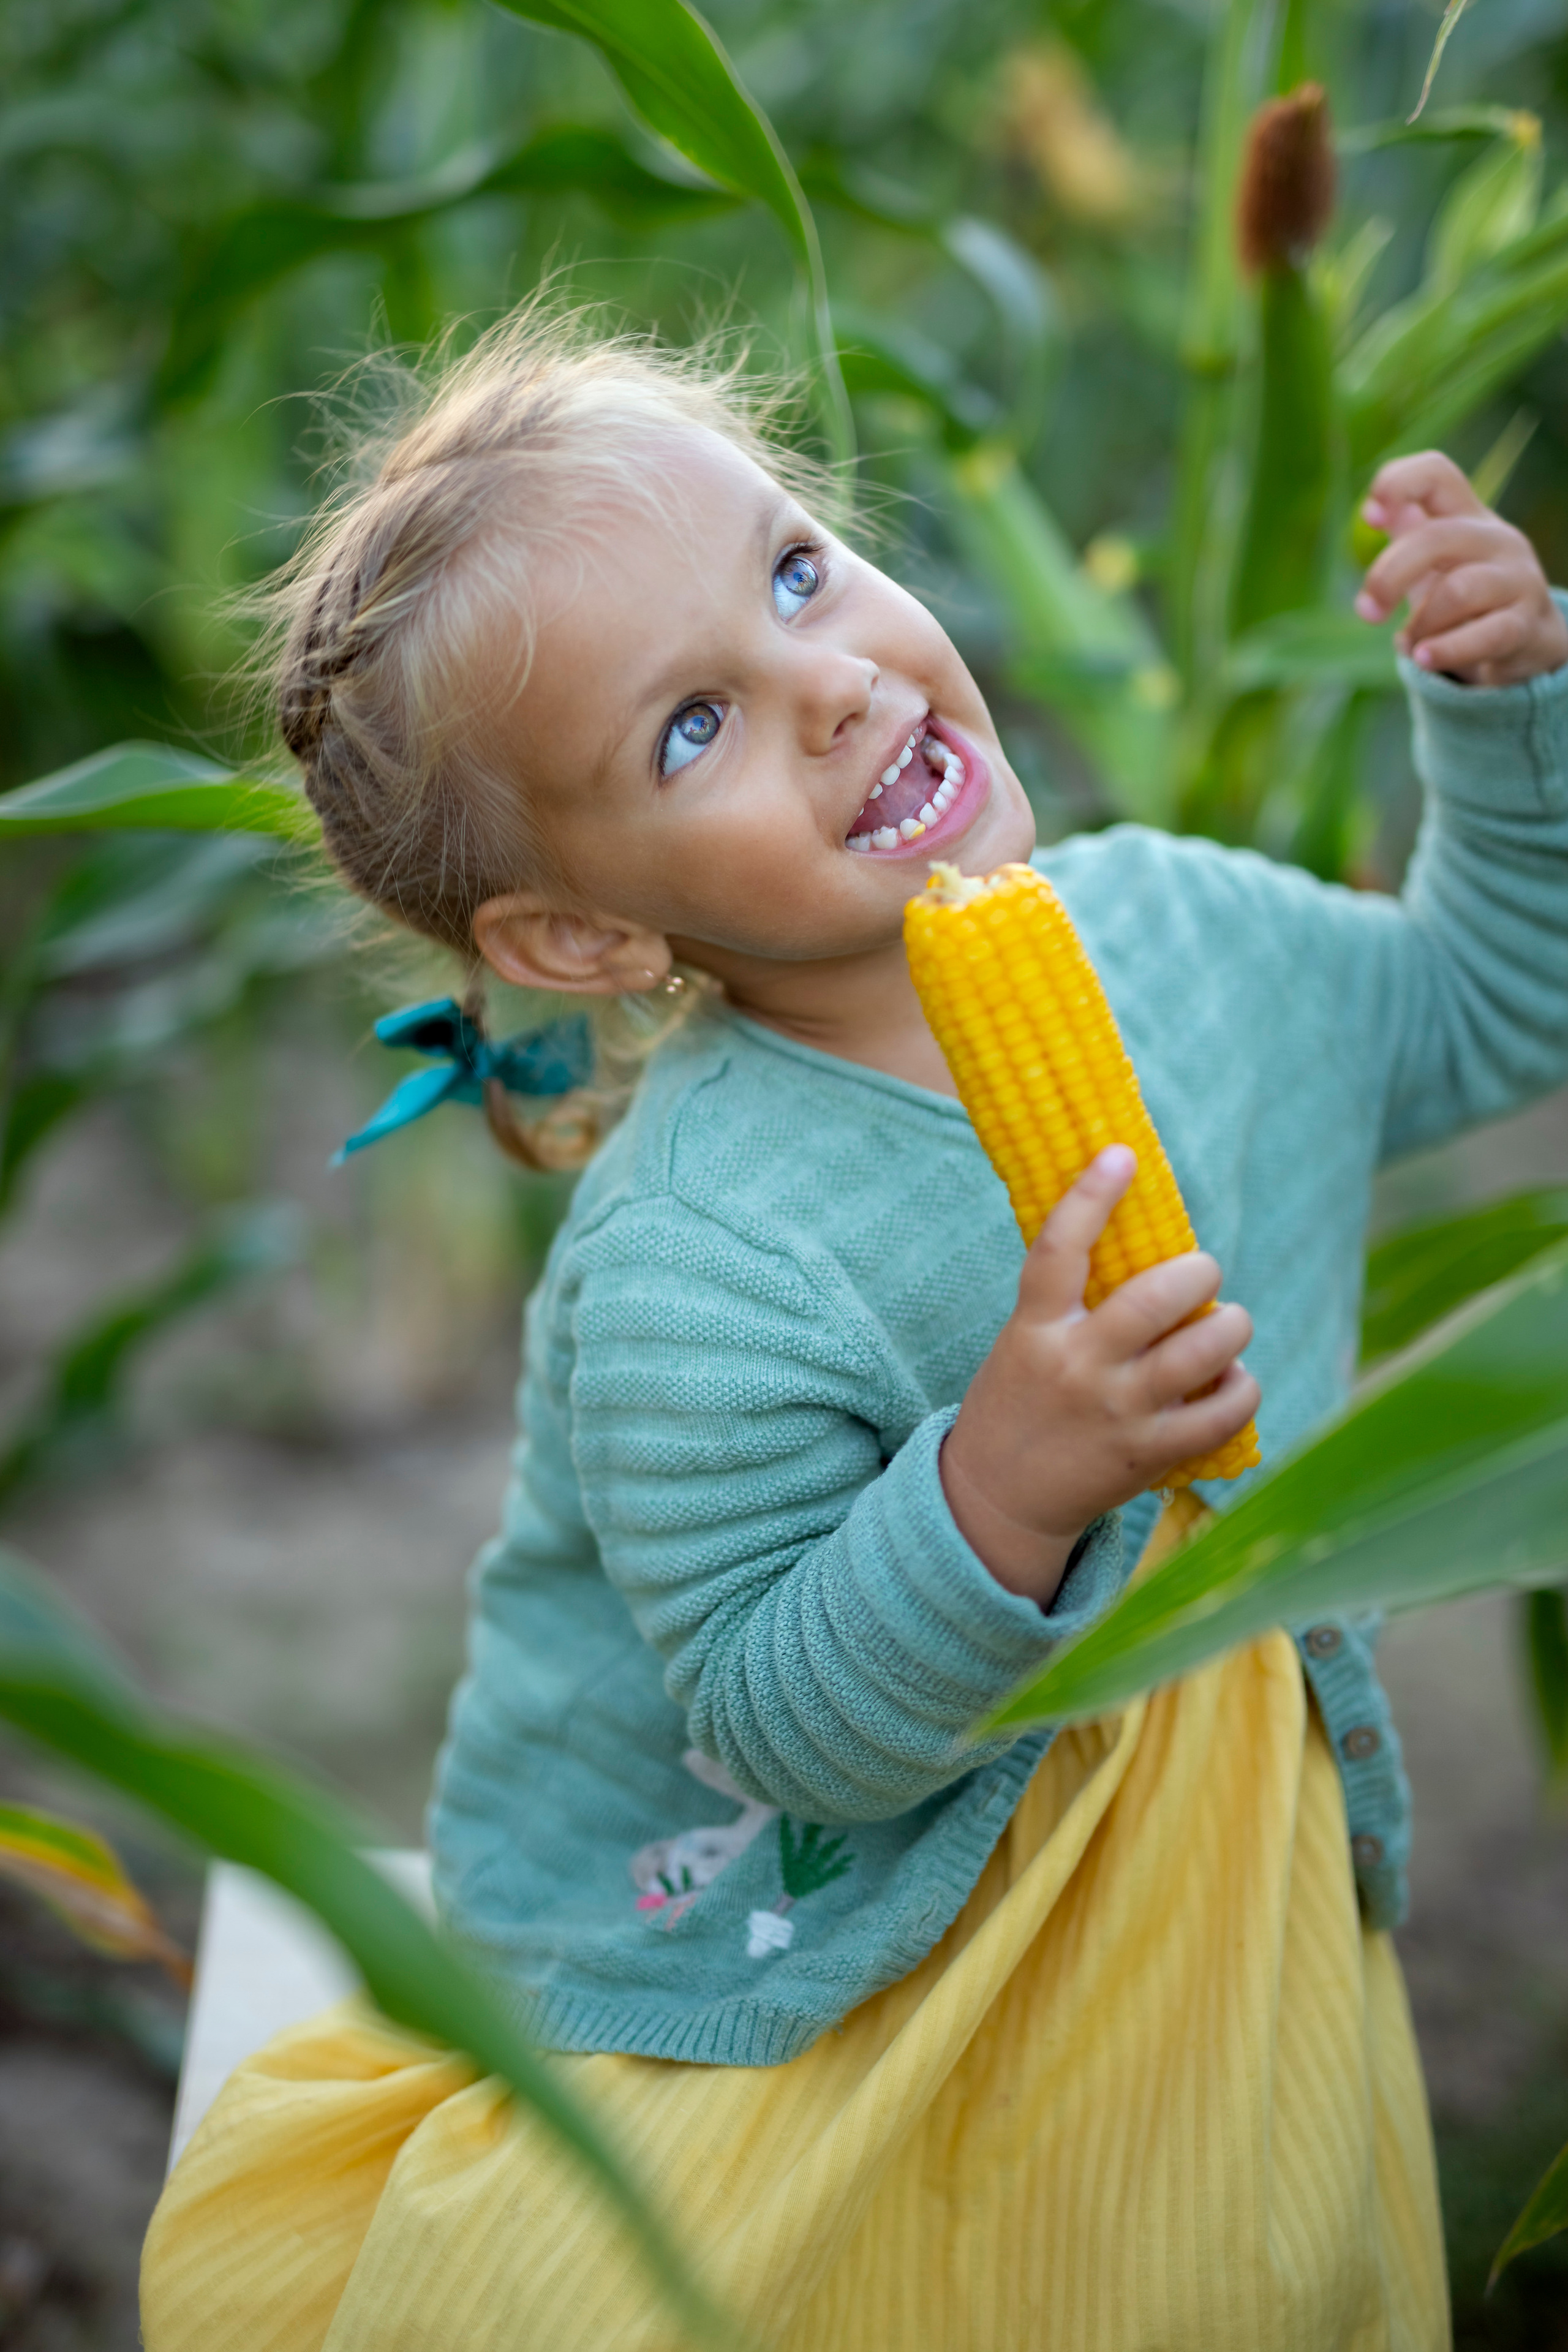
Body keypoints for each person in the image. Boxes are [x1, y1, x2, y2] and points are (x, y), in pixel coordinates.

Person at [141, 310, 1568, 2352]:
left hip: (1199, 1911)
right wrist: (1004, 1483)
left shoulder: (1188, 929)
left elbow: (1488, 1006)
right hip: (855, 1948)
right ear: (586, 937)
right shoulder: (700, 1255)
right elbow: (777, 1716)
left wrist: (1505, 714)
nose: (825, 684)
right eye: (690, 729)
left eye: (797, 568)